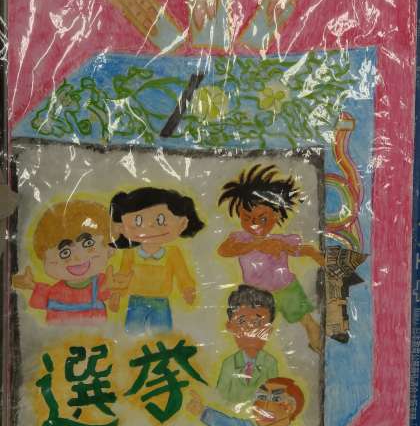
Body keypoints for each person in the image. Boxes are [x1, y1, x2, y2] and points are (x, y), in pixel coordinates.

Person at [218, 164, 324, 352]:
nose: (254, 224)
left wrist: (318, 257)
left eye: (262, 219)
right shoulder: (241, 239)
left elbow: (303, 250)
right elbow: (224, 250)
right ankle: (253, 356)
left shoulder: (279, 241)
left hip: (286, 288)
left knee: (307, 321)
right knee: (253, 328)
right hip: (256, 293)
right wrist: (255, 245)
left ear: (275, 215)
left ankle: (319, 346)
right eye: (246, 218)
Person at [110, 187, 204, 335]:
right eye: (138, 221)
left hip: (161, 303)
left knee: (162, 336)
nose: (150, 226)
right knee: (132, 334)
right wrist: (116, 294)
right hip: (136, 302)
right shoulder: (130, 253)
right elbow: (123, 274)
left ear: (182, 223)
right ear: (122, 227)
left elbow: (182, 274)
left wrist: (187, 288)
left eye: (160, 220)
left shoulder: (173, 253)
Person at [13, 200, 115, 324]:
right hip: (58, 334)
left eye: (88, 244)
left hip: (96, 333)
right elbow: (40, 301)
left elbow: (111, 296)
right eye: (65, 252)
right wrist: (31, 285)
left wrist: (115, 294)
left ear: (109, 247)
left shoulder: (101, 282)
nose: (77, 258)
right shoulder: (55, 291)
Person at [187, 377, 310, 426]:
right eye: (261, 397)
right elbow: (226, 423)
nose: (262, 405)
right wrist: (202, 410)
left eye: (275, 399)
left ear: (290, 407)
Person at [217, 285, 278, 404]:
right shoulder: (229, 364)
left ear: (268, 330)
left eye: (257, 322)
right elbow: (219, 398)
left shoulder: (270, 363)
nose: (250, 329)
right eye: (242, 321)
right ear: (230, 327)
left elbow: (274, 398)